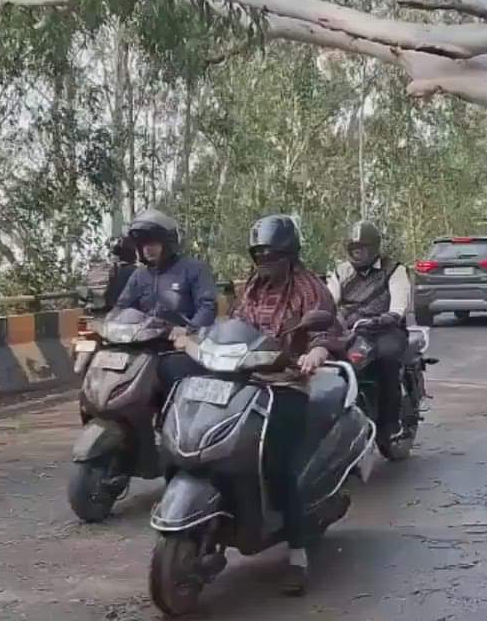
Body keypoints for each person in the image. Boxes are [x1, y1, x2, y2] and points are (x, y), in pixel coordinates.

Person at [228, 214, 348, 596]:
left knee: (276, 462)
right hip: (246, 380)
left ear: (290, 255)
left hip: (287, 383)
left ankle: (297, 554)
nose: (266, 262)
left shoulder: (309, 288)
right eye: (260, 255)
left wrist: (315, 353)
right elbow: (233, 326)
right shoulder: (252, 287)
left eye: (273, 255)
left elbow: (327, 332)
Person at [114, 208, 218, 397]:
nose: (148, 249)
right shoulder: (139, 275)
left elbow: (207, 306)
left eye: (153, 243)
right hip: (144, 345)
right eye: (143, 244)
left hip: (181, 347)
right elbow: (122, 307)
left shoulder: (193, 268)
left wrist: (189, 330)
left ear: (167, 243)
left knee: (170, 372)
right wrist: (110, 325)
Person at [327, 220, 411, 440]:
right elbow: (328, 300)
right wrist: (322, 314)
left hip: (385, 329)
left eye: (362, 248)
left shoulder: (394, 269)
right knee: (328, 361)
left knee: (387, 360)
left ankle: (391, 422)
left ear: (374, 247)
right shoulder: (341, 271)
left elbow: (399, 303)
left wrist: (391, 316)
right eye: (354, 249)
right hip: (350, 330)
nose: (358, 253)